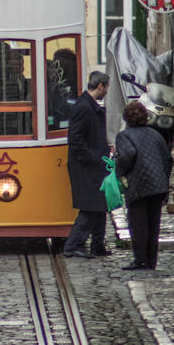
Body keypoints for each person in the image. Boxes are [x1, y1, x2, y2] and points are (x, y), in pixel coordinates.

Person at [115, 100, 173, 271]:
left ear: (126, 119)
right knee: (153, 224)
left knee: (138, 223)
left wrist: (120, 171)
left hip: (138, 185)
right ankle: (150, 261)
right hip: (158, 185)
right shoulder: (155, 134)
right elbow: (168, 159)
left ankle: (140, 260)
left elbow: (128, 155)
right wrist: (163, 179)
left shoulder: (124, 136)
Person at [63, 71, 111, 259]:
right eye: (106, 88)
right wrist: (92, 157)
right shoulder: (84, 107)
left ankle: (97, 245)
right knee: (91, 206)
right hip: (86, 166)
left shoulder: (88, 105)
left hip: (93, 163)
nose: (107, 91)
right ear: (100, 86)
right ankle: (73, 244)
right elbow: (75, 138)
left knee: (99, 205)